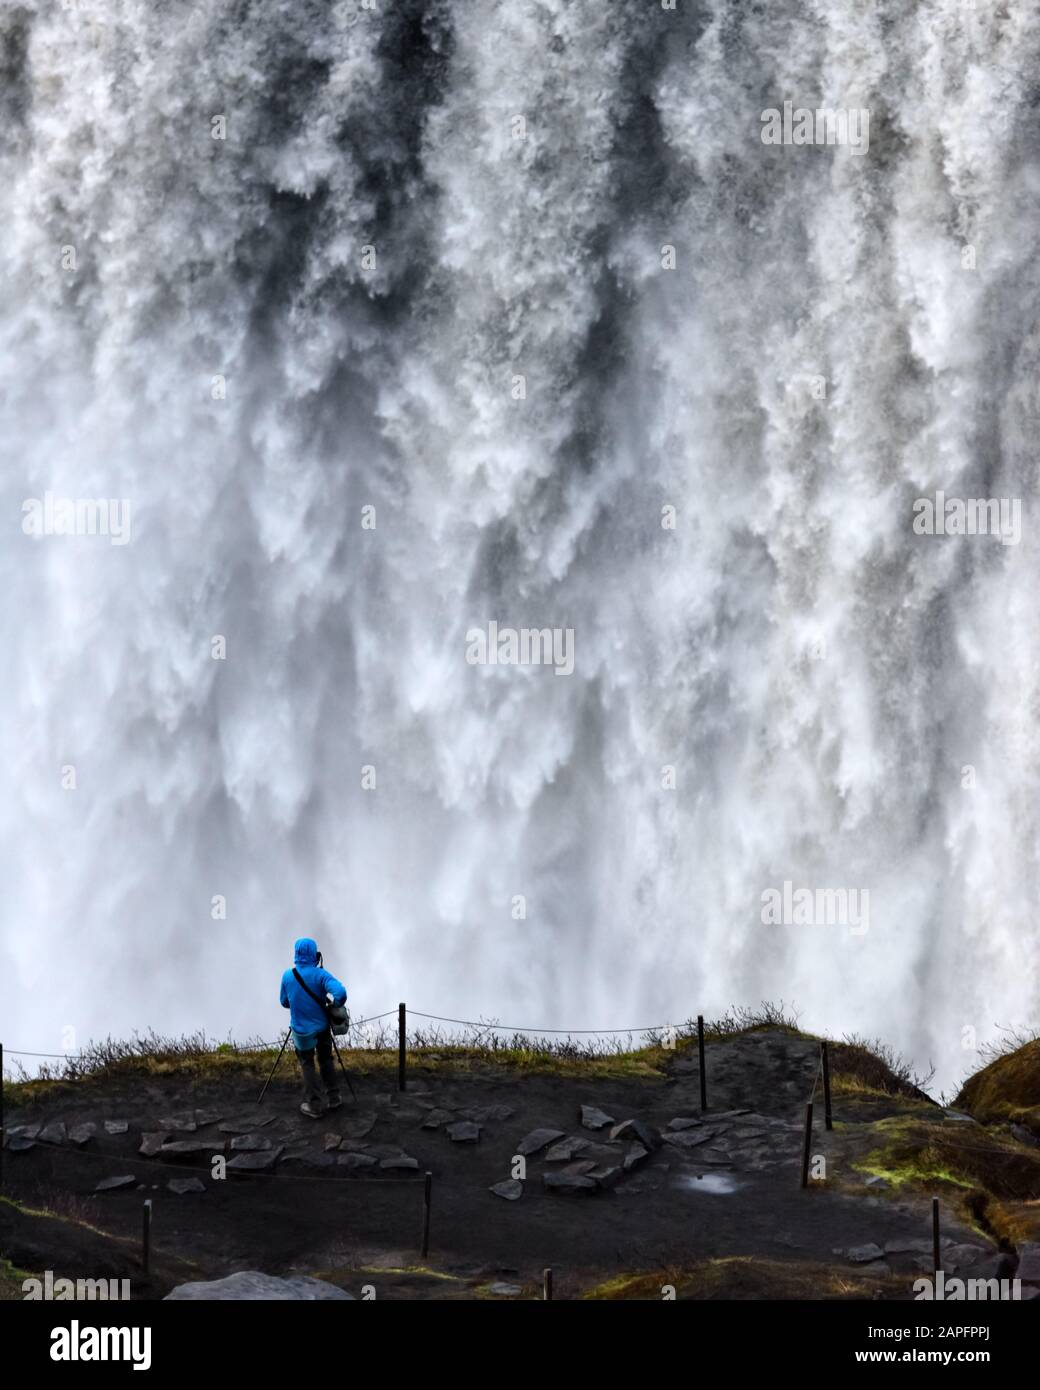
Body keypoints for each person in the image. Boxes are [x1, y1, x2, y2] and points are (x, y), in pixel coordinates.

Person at [279, 937, 348, 1118]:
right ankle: (334, 1098)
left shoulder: (287, 976)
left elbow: (284, 1002)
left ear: (296, 954)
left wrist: (297, 1003)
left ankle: (315, 1106)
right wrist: (334, 1004)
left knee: (307, 1064)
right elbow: (340, 993)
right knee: (326, 1060)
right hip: (322, 1028)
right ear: (314, 955)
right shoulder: (320, 975)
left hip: (301, 1030)